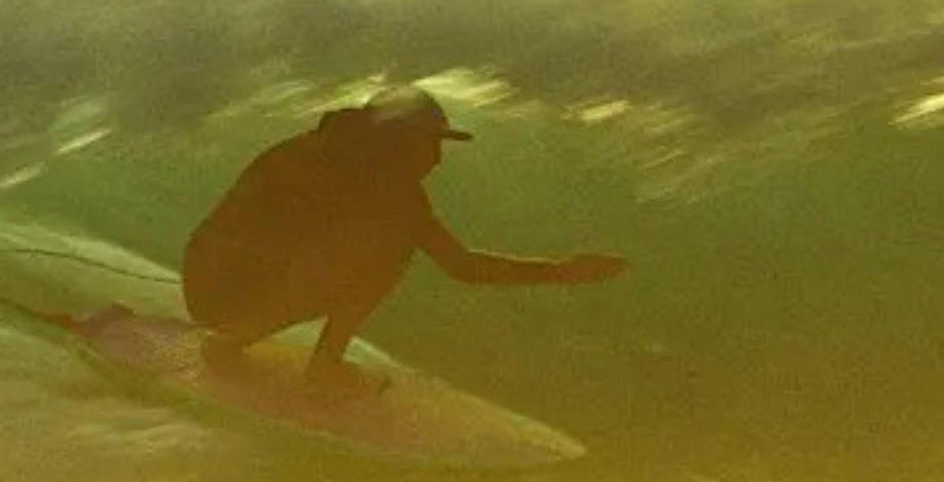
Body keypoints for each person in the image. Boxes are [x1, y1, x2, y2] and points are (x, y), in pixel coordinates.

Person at [182, 86, 628, 397]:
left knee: (369, 243)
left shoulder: (309, 149)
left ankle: (233, 339)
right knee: (389, 253)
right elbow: (463, 266)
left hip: (203, 279)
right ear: (396, 142)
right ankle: (320, 370)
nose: (435, 159)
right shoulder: (389, 195)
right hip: (231, 297)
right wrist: (562, 271)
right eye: (429, 144)